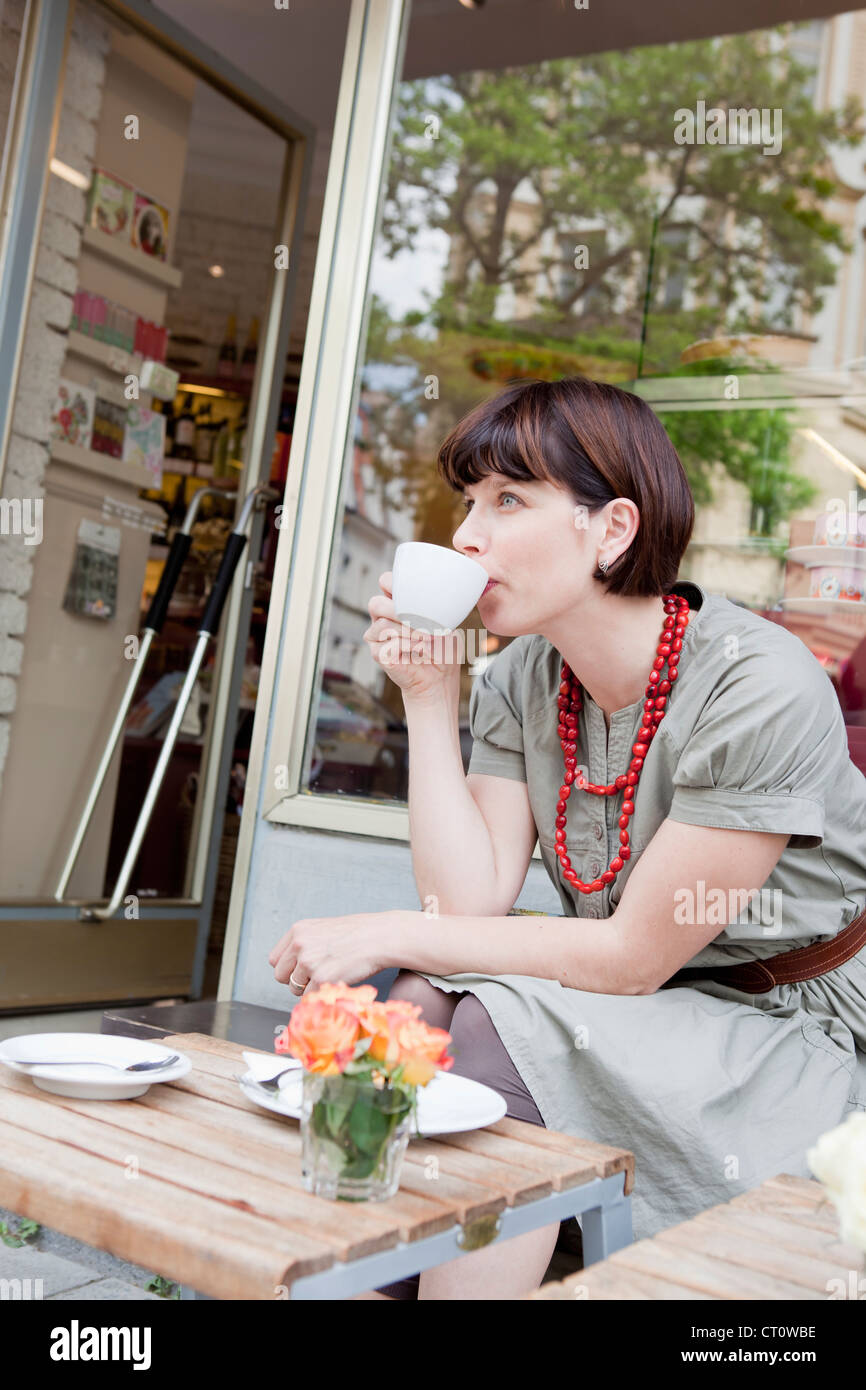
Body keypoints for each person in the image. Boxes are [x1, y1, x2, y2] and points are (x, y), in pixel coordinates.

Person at [268, 376, 866, 1300]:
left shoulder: (758, 685)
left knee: (498, 1019)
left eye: (509, 500)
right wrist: (429, 700)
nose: (468, 535)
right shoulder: (521, 678)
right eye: (471, 503)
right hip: (658, 1003)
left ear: (613, 530)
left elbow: (629, 958)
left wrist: (386, 928)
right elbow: (465, 906)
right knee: (422, 1001)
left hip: (798, 1024)